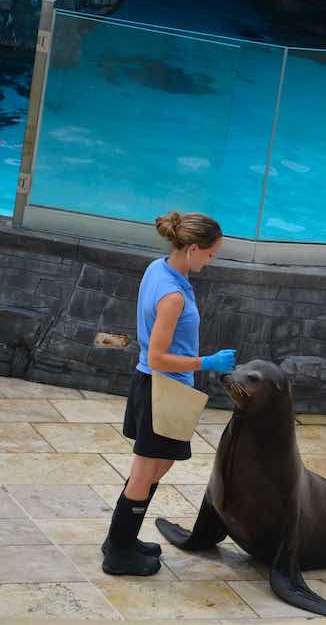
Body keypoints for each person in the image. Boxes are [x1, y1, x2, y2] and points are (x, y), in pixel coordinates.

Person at [102, 211, 237, 576]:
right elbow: (158, 356)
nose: (212, 260)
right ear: (192, 249)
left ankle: (120, 540)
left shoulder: (158, 269)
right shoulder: (173, 295)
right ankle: (119, 553)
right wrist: (207, 362)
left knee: (154, 467)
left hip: (157, 386)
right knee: (147, 471)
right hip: (162, 389)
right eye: (210, 253)